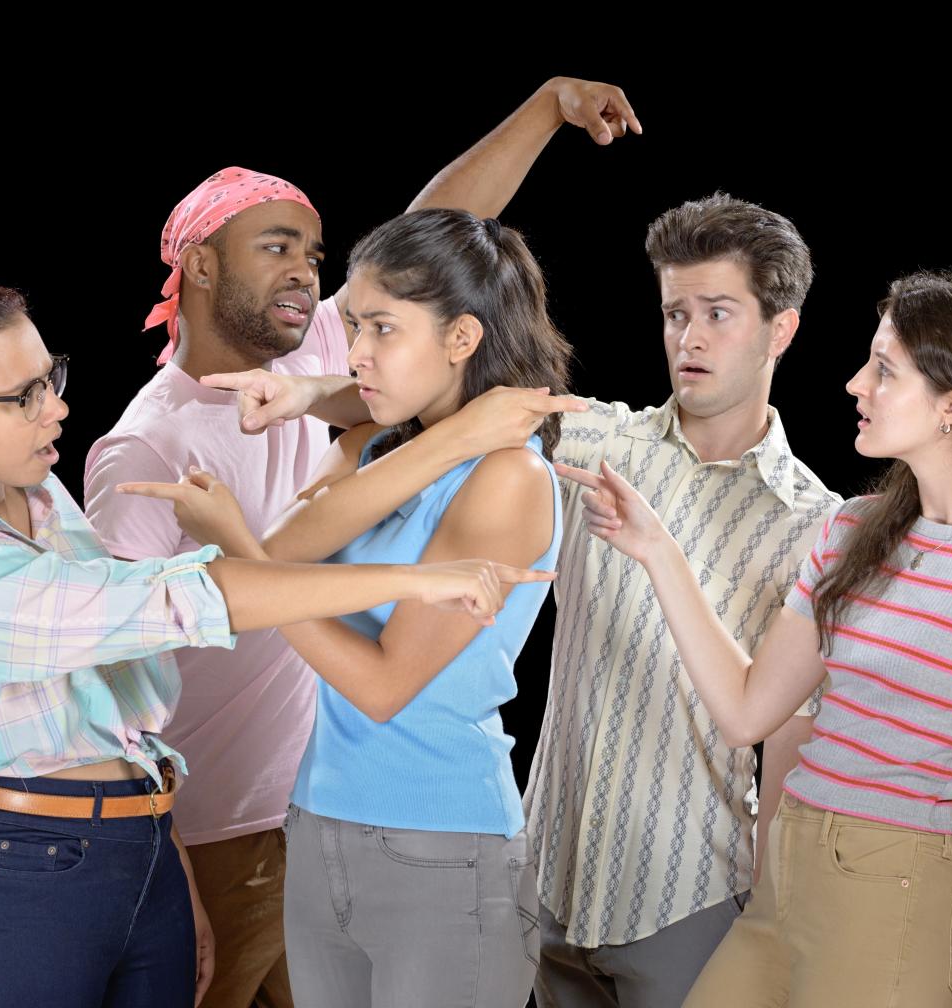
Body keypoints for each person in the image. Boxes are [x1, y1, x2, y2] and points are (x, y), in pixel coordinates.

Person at [0, 276, 551, 1008]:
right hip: (17, 867)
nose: (57, 409)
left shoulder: (34, 491)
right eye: (24, 397)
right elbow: (173, 601)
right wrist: (413, 579)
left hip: (138, 846)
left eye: (52, 378)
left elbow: (110, 707)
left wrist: (163, 844)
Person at [82, 75, 638, 1008]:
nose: (310, 275)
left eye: (315, 253)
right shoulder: (158, 442)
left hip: (382, 828)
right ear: (202, 268)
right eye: (277, 248)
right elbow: (110, 665)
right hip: (235, 824)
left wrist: (545, 108)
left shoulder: (383, 410)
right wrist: (158, 844)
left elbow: (436, 248)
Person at [216, 192, 840, 1006]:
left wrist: (774, 904)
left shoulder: (814, 521)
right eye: (674, 311)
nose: (688, 336)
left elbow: (790, 725)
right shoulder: (594, 438)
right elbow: (450, 398)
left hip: (689, 885)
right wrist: (308, 395)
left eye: (717, 313)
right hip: (553, 869)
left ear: (780, 328)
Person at [562, 271, 952, 1007]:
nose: (855, 384)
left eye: (884, 369)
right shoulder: (851, 531)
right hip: (786, 878)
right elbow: (748, 711)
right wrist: (657, 551)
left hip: (894, 890)